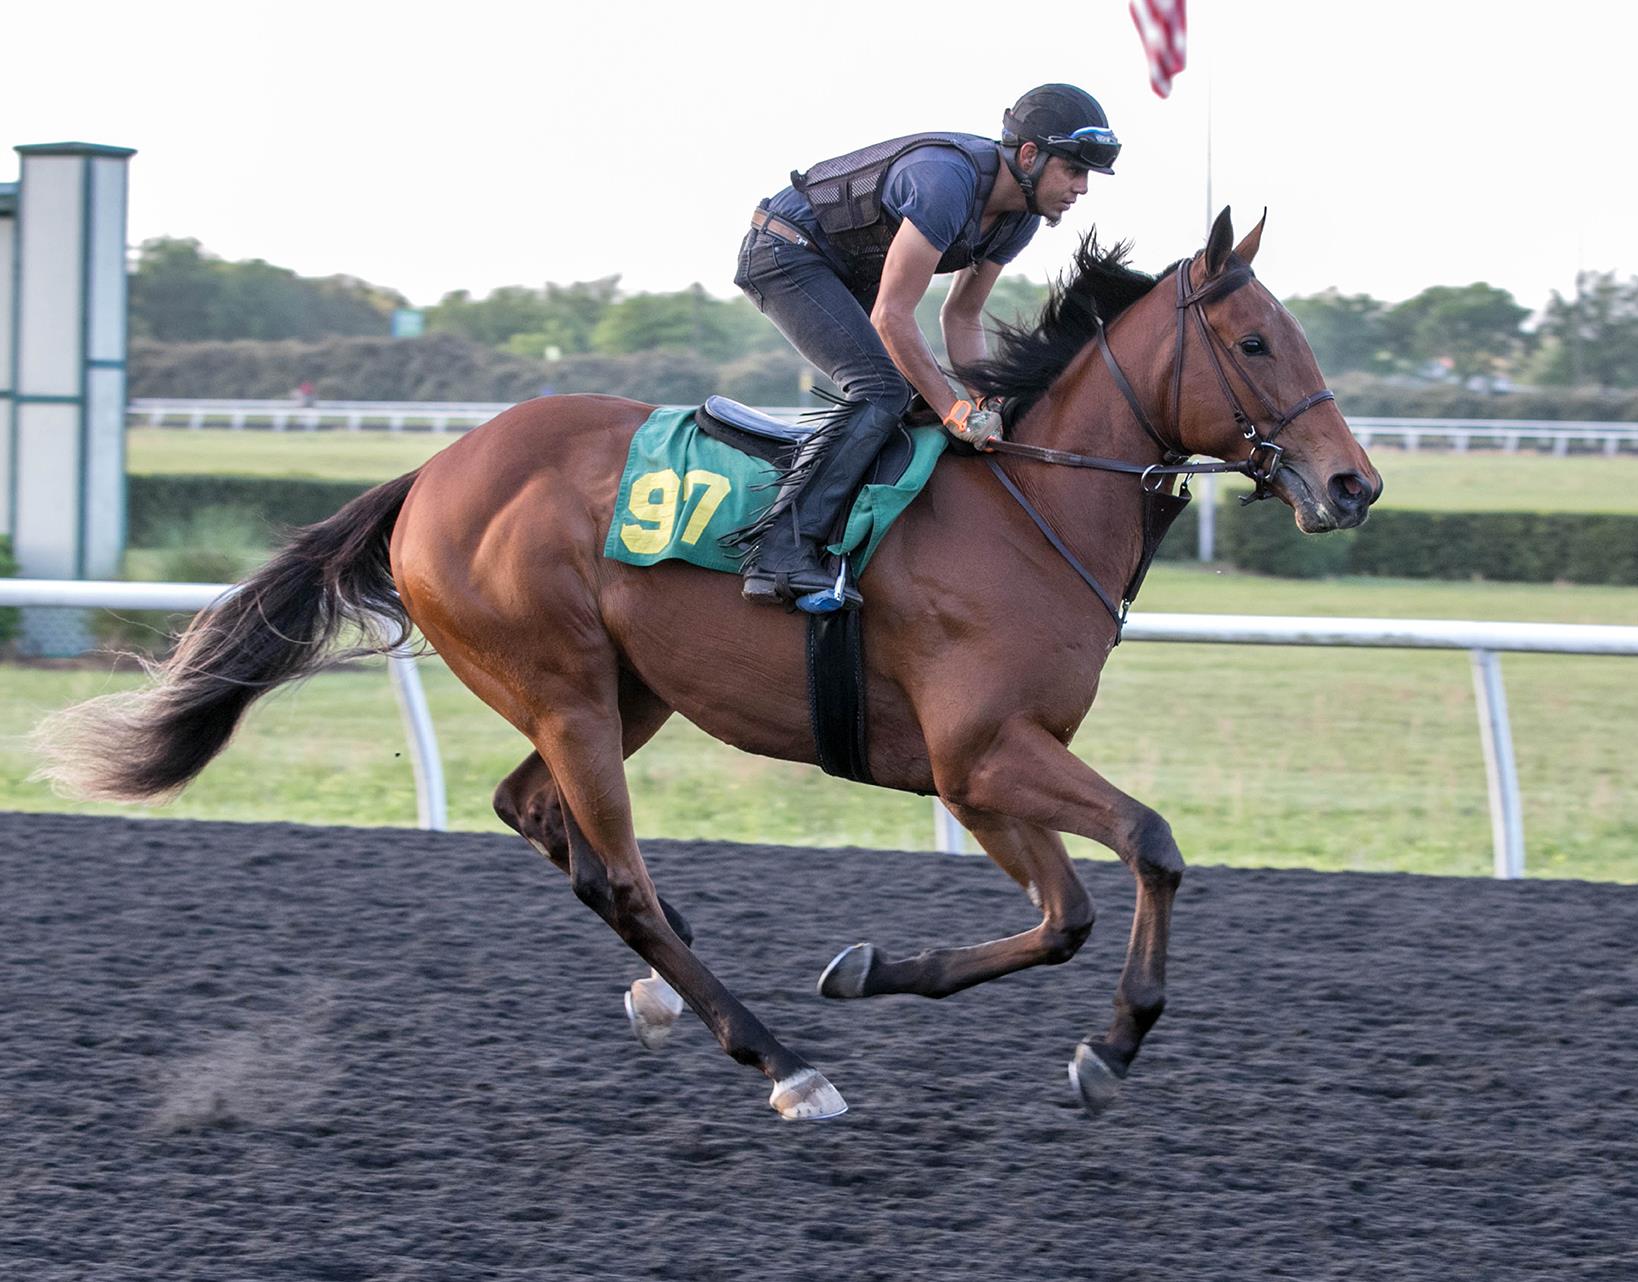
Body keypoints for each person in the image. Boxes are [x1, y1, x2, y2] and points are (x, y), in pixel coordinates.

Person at [731, 83, 1121, 611]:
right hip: (786, 251)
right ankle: (779, 555)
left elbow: (961, 316)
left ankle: (859, 549)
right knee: (882, 391)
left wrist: (985, 400)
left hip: (842, 271)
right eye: (1074, 169)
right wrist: (954, 409)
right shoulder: (947, 183)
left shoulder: (1020, 219)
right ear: (1029, 155)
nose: (1082, 188)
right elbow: (891, 316)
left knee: (915, 403)